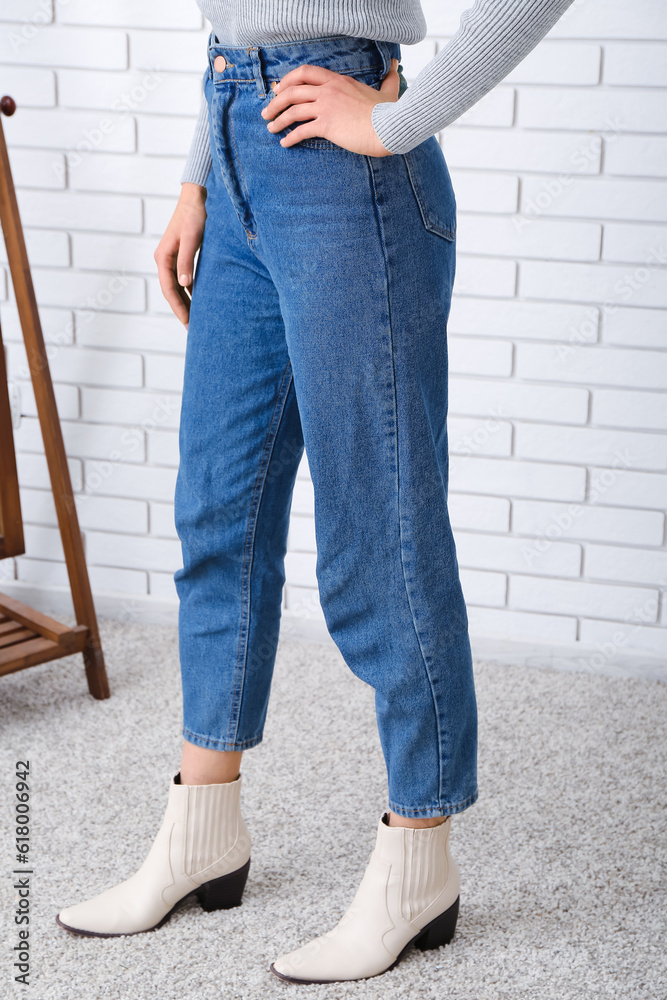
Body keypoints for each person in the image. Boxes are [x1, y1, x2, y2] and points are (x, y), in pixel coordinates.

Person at [56, 0, 575, 984]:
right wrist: (198, 175)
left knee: (378, 534)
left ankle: (418, 856)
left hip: (347, 173)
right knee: (220, 509)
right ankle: (202, 827)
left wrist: (397, 119)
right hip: (234, 132)